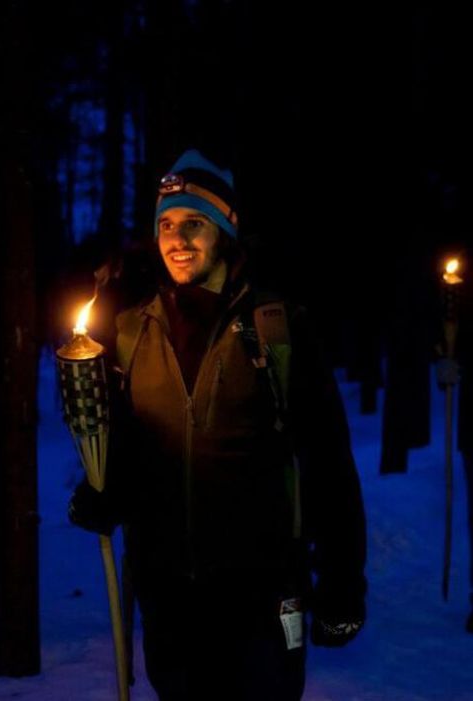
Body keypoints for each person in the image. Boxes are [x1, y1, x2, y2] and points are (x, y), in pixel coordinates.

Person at [68, 149, 368, 700]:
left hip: (261, 591)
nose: (177, 239)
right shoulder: (135, 330)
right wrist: (102, 491)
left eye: (194, 224)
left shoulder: (274, 326)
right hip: (170, 598)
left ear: (225, 230)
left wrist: (344, 580)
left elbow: (328, 460)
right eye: (166, 224)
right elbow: (134, 452)